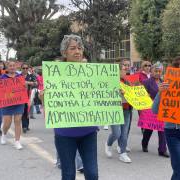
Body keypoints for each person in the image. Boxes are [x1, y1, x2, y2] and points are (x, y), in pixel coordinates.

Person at [44, 35, 98, 180]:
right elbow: (49, 109)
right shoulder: (54, 75)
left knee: (92, 174)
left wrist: (113, 94)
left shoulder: (93, 74)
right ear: (64, 52)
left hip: (89, 130)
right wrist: (44, 98)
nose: (77, 51)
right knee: (68, 175)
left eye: (80, 48)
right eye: (73, 48)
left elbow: (100, 98)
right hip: (65, 133)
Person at [152, 56, 180, 180]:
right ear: (176, 68)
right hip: (174, 132)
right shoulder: (167, 85)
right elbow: (155, 110)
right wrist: (160, 92)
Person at [105, 58, 133, 163]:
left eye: (126, 69)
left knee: (124, 133)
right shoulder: (111, 81)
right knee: (117, 133)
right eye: (122, 69)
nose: (124, 71)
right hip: (114, 110)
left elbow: (135, 94)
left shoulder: (129, 81)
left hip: (126, 110)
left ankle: (123, 153)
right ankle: (108, 144)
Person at [141, 62, 169, 157]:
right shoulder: (146, 82)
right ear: (152, 71)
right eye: (156, 71)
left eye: (159, 71)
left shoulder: (164, 82)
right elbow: (142, 96)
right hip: (150, 109)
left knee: (162, 130)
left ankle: (162, 150)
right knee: (149, 129)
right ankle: (144, 143)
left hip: (161, 109)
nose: (157, 73)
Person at [0, 61, 25, 150]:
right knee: (7, 122)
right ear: (7, 68)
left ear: (16, 67)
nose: (12, 67)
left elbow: (23, 88)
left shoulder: (20, 77)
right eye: (10, 66)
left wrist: (24, 85)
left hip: (18, 102)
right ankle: (4, 134)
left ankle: (17, 141)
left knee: (18, 121)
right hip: (7, 103)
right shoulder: (2, 77)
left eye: (13, 66)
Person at [21, 63, 37, 133]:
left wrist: (27, 83)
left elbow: (36, 83)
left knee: (26, 111)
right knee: (22, 111)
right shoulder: (18, 76)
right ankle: (24, 126)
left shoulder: (31, 75)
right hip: (20, 97)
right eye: (23, 68)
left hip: (28, 95)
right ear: (21, 69)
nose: (25, 69)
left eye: (26, 68)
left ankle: (26, 125)